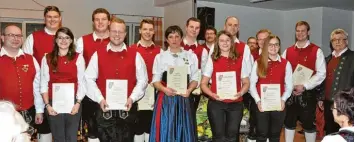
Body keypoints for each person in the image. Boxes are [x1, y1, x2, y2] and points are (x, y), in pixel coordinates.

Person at [85, 17, 148, 142]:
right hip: (104, 111)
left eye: (120, 31)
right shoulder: (98, 54)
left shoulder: (135, 55)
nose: (117, 35)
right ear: (109, 32)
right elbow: (88, 79)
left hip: (127, 111)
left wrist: (132, 98)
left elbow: (143, 80)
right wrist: (100, 99)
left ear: (125, 34)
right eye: (114, 31)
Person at [150, 25, 199, 142]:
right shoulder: (160, 57)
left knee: (185, 131)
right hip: (166, 100)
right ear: (166, 40)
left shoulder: (190, 56)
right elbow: (155, 81)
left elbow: (195, 78)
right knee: (166, 130)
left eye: (177, 36)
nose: (174, 39)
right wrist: (165, 89)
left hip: (184, 98)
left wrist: (189, 90)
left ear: (182, 38)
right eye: (171, 37)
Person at [201, 30, 250, 142]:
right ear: (217, 43)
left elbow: (246, 82)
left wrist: (241, 92)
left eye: (228, 40)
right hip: (216, 104)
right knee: (218, 137)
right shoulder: (212, 59)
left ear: (231, 42)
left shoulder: (240, 59)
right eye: (222, 40)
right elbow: (203, 84)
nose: (225, 43)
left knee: (232, 137)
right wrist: (212, 94)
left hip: (236, 104)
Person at [282, 21, 326, 142]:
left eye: (303, 30)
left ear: (308, 32)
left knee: (308, 125)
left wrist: (305, 86)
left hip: (307, 94)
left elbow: (321, 74)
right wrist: (290, 87)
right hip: (290, 94)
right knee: (289, 122)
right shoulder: (287, 51)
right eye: (298, 31)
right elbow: (282, 72)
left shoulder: (317, 51)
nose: (300, 33)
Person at [23, 6, 62, 141]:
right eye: (49, 17)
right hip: (40, 94)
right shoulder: (33, 38)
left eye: (55, 17)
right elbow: (25, 65)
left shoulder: (67, 37)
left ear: (60, 19)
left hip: (63, 93)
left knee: (61, 132)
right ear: (44, 19)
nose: (52, 19)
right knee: (44, 131)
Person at [40, 27, 86, 142]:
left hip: (74, 104)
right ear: (55, 40)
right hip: (53, 104)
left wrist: (78, 102)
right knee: (58, 138)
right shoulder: (47, 58)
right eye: (60, 37)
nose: (63, 40)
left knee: (71, 137)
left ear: (71, 40)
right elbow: (44, 83)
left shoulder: (78, 57)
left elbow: (82, 82)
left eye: (67, 38)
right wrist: (47, 105)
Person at [0, 25, 43, 140]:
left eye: (18, 35)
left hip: (28, 112)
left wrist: (39, 110)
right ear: (2, 38)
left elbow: (37, 87)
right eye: (11, 35)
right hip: (3, 115)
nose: (15, 38)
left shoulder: (31, 59)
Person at [76, 8, 111, 142]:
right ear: (93, 22)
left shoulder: (116, 40)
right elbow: (77, 68)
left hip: (111, 93)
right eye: (97, 19)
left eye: (103, 19)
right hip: (89, 95)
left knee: (110, 131)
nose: (100, 22)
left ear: (109, 22)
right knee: (92, 131)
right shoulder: (82, 41)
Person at [249, 34, 293, 142]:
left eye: (276, 45)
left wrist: (283, 100)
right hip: (261, 106)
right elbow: (252, 85)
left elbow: (289, 85)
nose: (273, 47)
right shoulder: (258, 63)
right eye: (270, 45)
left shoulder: (286, 64)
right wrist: (258, 101)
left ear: (279, 47)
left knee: (275, 136)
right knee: (261, 135)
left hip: (279, 105)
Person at [131, 19, 161, 142]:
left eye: (150, 29)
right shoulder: (131, 50)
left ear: (154, 32)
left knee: (150, 125)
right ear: (140, 30)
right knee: (137, 125)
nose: (147, 32)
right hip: (136, 92)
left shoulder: (160, 51)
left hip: (154, 93)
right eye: (145, 29)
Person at [318, 28, 354, 134]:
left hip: (345, 103)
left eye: (340, 39)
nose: (337, 42)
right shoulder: (327, 59)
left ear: (346, 41)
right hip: (328, 102)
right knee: (330, 131)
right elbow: (323, 80)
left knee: (344, 133)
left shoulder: (352, 57)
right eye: (334, 40)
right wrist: (321, 97)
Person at [181, 17, 209, 135]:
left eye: (197, 28)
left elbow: (204, 72)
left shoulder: (203, 50)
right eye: (191, 27)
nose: (194, 30)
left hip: (195, 91)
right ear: (186, 27)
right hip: (177, 88)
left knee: (191, 121)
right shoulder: (176, 45)